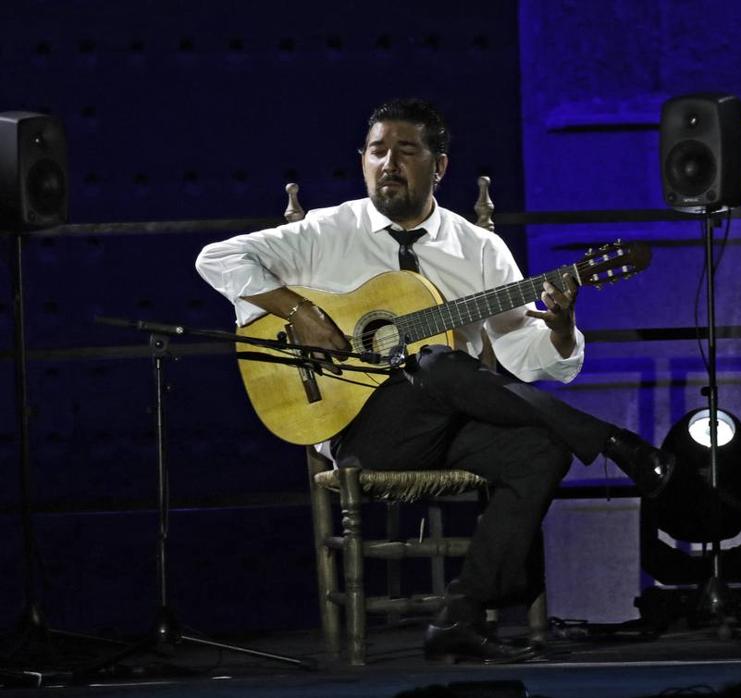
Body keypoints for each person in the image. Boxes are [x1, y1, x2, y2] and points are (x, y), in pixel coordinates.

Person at [195, 97, 674, 664]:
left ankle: (459, 618)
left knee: (539, 450)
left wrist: (562, 325)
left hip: (451, 421)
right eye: (377, 152)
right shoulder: (327, 230)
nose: (389, 163)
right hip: (359, 429)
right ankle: (614, 442)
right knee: (438, 363)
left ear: (439, 166)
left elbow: (523, 355)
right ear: (363, 161)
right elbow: (216, 259)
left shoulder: (479, 247)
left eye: (406, 151)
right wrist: (301, 313)